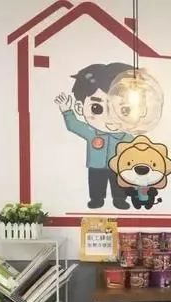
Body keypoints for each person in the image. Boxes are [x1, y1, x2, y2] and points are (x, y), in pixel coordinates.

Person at [54, 62, 133, 209]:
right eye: (96, 108)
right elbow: (74, 126)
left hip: (119, 165)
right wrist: (66, 111)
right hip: (96, 165)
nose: (109, 117)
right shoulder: (91, 132)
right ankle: (97, 199)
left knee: (119, 183)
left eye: (123, 109)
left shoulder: (127, 136)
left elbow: (138, 146)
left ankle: (120, 199)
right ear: (80, 107)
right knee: (96, 182)